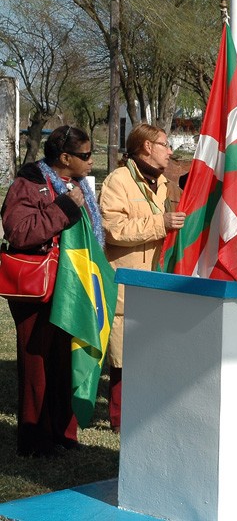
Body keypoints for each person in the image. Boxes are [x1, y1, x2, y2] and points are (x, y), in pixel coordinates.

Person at [1, 126, 101, 456]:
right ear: (65, 157)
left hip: (71, 286)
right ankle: (36, 440)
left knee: (63, 359)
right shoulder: (28, 182)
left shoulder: (79, 186)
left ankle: (63, 433)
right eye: (85, 156)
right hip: (37, 289)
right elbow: (19, 231)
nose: (91, 161)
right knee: (37, 365)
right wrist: (64, 207)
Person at [99, 124, 184, 432]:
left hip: (161, 282)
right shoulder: (117, 181)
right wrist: (159, 223)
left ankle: (150, 414)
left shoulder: (165, 184)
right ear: (147, 147)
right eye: (165, 144)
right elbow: (112, 230)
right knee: (124, 356)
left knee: (154, 352)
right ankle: (121, 420)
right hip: (130, 282)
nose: (170, 150)